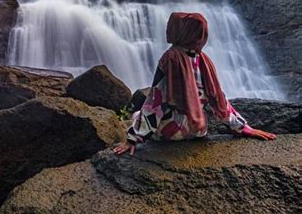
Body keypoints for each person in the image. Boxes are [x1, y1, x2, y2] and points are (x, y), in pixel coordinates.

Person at [114, 12, 276, 156]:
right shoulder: (204, 60)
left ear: (182, 32)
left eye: (172, 26)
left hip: (171, 133)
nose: (167, 29)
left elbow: (155, 102)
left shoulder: (170, 58)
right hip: (197, 130)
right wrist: (242, 127)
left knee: (135, 115)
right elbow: (218, 100)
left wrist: (133, 138)